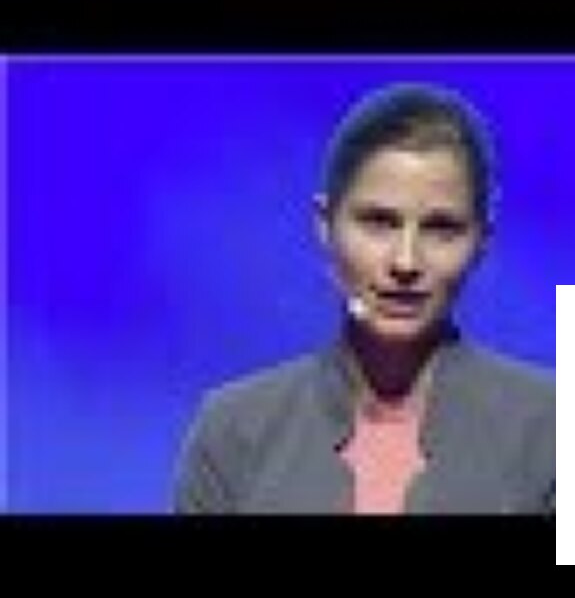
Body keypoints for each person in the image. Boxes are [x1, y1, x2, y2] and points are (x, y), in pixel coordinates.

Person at [173, 82, 555, 514]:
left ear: (482, 240)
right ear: (325, 225)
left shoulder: (558, 432)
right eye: (379, 222)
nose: (406, 261)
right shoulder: (232, 432)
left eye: (441, 228)